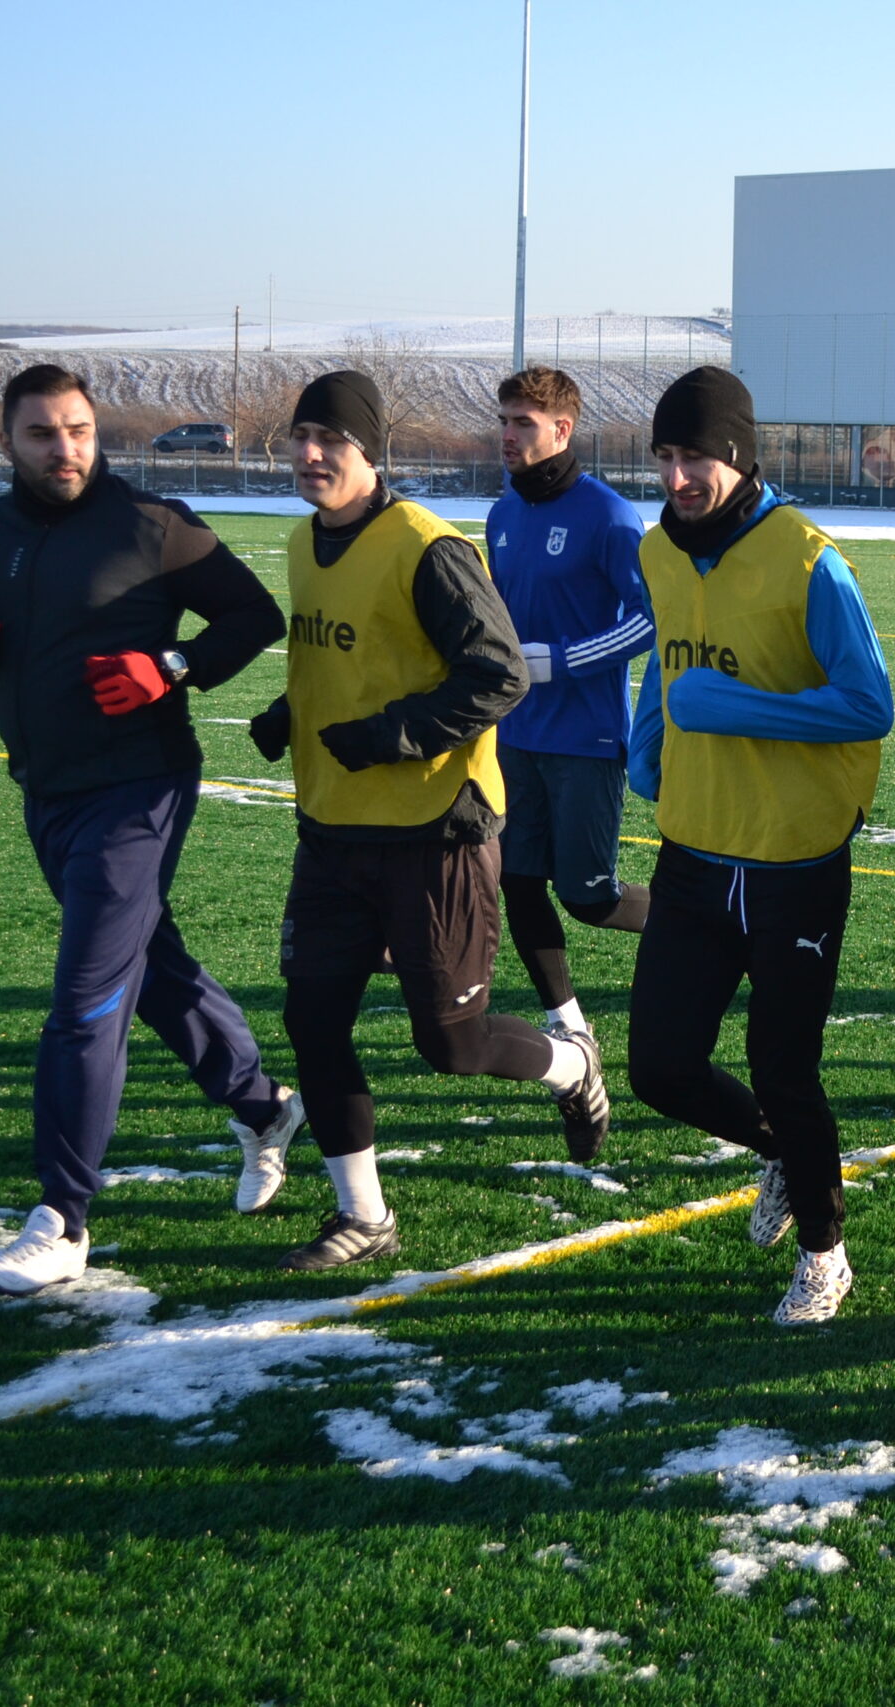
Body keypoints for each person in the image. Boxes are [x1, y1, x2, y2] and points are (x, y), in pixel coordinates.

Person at [0, 364, 301, 1297]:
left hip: (140, 788)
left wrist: (173, 662)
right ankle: (262, 1107)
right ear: (8, 441)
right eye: (44, 433)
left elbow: (254, 615)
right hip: (45, 791)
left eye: (79, 430)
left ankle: (62, 1216)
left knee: (86, 993)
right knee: (146, 964)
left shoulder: (152, 522)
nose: (65, 448)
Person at [250, 370, 610, 1272]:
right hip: (331, 831)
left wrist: (389, 736)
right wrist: (286, 713)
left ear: (372, 452)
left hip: (433, 831)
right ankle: (362, 1213)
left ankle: (572, 1066)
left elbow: (499, 676)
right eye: (299, 437)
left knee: (451, 1045)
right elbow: (345, 660)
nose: (310, 454)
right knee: (313, 1019)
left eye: (330, 439)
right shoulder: (301, 545)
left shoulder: (427, 546)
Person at [624, 367, 895, 1326]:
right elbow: (670, 661)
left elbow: (871, 707)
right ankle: (779, 1151)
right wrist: (648, 734)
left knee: (785, 1066)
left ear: (738, 455)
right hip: (693, 849)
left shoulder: (810, 559)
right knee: (659, 1065)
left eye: (695, 456)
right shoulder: (658, 550)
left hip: (794, 860)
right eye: (664, 456)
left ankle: (825, 1252)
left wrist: (730, 708)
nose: (678, 476)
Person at [484, 365, 655, 1041]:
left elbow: (653, 618)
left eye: (522, 422)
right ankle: (569, 1024)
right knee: (519, 881)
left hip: (585, 738)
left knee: (588, 897)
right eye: (502, 420)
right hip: (513, 736)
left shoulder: (608, 516)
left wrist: (561, 661)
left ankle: (711, 922)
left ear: (563, 428)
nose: (507, 434)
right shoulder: (501, 513)